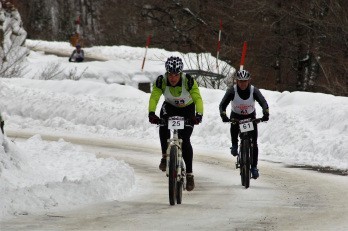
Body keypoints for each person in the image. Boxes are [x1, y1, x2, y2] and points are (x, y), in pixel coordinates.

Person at [148, 56, 204, 191]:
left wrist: (199, 115)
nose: (173, 78)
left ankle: (189, 174)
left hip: (188, 109)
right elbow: (154, 97)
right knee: (163, 125)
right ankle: (164, 156)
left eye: (176, 75)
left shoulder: (188, 81)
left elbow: (197, 97)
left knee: (185, 139)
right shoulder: (161, 81)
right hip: (170, 107)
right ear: (167, 73)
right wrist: (151, 113)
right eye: (170, 74)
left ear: (180, 73)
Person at [219, 69, 269, 179]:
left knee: (254, 143)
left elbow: (263, 102)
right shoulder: (232, 91)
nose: (242, 84)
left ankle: (254, 167)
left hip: (250, 117)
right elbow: (222, 105)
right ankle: (235, 144)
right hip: (236, 116)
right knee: (233, 124)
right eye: (240, 81)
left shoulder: (253, 90)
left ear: (248, 81)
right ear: (237, 81)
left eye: (245, 81)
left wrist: (265, 113)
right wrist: (224, 115)